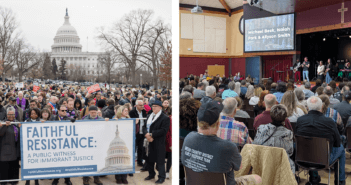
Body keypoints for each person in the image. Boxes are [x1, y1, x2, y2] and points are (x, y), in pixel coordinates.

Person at [296, 96, 345, 185]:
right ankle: (340, 181)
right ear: (322, 107)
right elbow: (337, 143)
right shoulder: (329, 122)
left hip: (302, 159)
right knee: (341, 148)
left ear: (307, 107)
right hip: (324, 161)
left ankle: (314, 178)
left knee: (311, 150)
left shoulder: (300, 120)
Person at [253, 104, 294, 174]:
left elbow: (256, 144)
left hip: (262, 161)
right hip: (280, 164)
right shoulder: (288, 133)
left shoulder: (261, 128)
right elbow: (290, 152)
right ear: (285, 118)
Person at [143, 100, 170, 184]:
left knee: (160, 161)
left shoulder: (165, 118)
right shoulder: (149, 116)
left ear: (160, 107)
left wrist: (151, 134)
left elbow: (163, 130)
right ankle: (151, 174)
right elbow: (144, 127)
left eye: (155, 106)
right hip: (148, 141)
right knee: (149, 160)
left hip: (158, 142)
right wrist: (146, 135)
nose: (153, 108)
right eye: (152, 106)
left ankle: (161, 177)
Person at [82, 105, 104, 185]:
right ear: (89, 112)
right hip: (88, 144)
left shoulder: (101, 119)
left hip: (98, 144)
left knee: (97, 161)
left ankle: (96, 178)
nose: (94, 114)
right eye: (92, 112)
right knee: (87, 162)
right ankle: (86, 179)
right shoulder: (84, 119)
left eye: (95, 112)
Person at [0, 107, 21, 185]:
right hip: (5, 149)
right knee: (4, 167)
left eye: (13, 114)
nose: (11, 116)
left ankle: (13, 180)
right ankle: (4, 181)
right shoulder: (2, 122)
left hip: (15, 148)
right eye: (9, 114)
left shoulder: (17, 122)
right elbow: (0, 133)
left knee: (14, 165)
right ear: (6, 114)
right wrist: (5, 125)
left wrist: (21, 127)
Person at [129, 99, 147, 167]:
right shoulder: (132, 112)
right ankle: (131, 162)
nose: (142, 106)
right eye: (140, 105)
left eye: (143, 105)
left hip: (142, 132)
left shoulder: (144, 112)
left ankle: (140, 161)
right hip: (135, 132)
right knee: (133, 148)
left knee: (141, 147)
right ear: (136, 105)